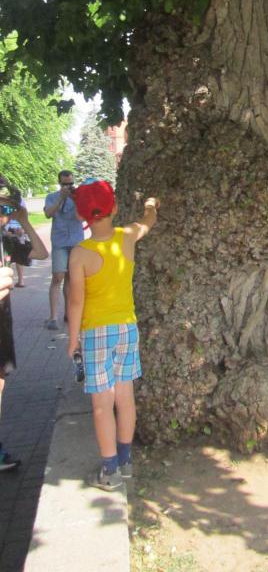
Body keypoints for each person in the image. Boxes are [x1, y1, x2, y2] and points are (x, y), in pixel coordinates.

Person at [68, 180, 159, 491]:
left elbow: (76, 301)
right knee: (125, 399)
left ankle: (109, 470)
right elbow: (149, 221)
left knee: (101, 404)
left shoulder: (80, 254)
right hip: (126, 328)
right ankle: (125, 460)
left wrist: (72, 339)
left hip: (95, 334)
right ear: (115, 207)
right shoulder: (128, 237)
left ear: (82, 217)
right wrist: (150, 204)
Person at [0, 190, 49, 473]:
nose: (5, 214)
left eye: (8, 208)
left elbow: (41, 253)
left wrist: (25, 222)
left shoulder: (7, 240)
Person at [44, 170, 84, 330]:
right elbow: (48, 214)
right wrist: (61, 197)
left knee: (70, 278)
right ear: (59, 183)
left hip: (76, 241)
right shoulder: (52, 197)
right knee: (58, 276)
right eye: (64, 184)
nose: (68, 186)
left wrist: (76, 199)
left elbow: (82, 217)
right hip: (59, 241)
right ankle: (53, 316)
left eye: (70, 184)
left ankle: (68, 313)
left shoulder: (78, 197)